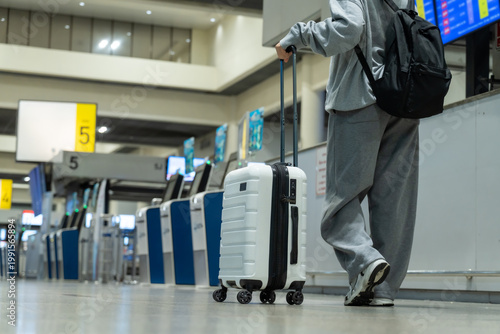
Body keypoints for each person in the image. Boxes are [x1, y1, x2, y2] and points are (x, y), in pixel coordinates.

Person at [275, 0, 419, 307]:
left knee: (342, 197)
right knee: (394, 202)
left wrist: (297, 35)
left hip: (360, 97)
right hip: (405, 99)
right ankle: (383, 290)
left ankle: (364, 259)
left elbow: (350, 28)